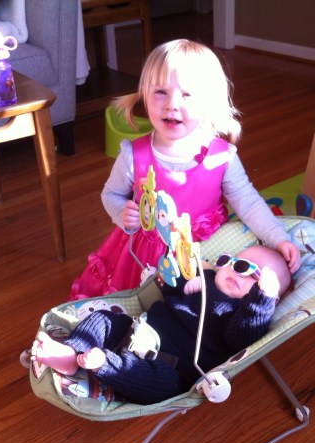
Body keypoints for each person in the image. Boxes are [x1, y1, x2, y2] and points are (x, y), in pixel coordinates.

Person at [68, 39, 300, 300]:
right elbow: (110, 194)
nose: (171, 104)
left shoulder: (221, 157)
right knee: (141, 305)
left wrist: (278, 238)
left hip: (202, 257)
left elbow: (248, 203)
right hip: (142, 260)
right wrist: (121, 212)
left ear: (209, 103)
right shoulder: (134, 155)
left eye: (187, 95)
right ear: (144, 94)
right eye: (160, 92)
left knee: (195, 309)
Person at [33, 245, 292, 405]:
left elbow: (243, 337)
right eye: (234, 262)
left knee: (163, 385)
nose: (237, 271)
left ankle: (104, 364)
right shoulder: (206, 278)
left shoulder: (243, 313)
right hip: (136, 331)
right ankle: (71, 352)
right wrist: (178, 276)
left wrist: (261, 301)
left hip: (172, 367)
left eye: (251, 273)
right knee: (104, 319)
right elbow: (170, 290)